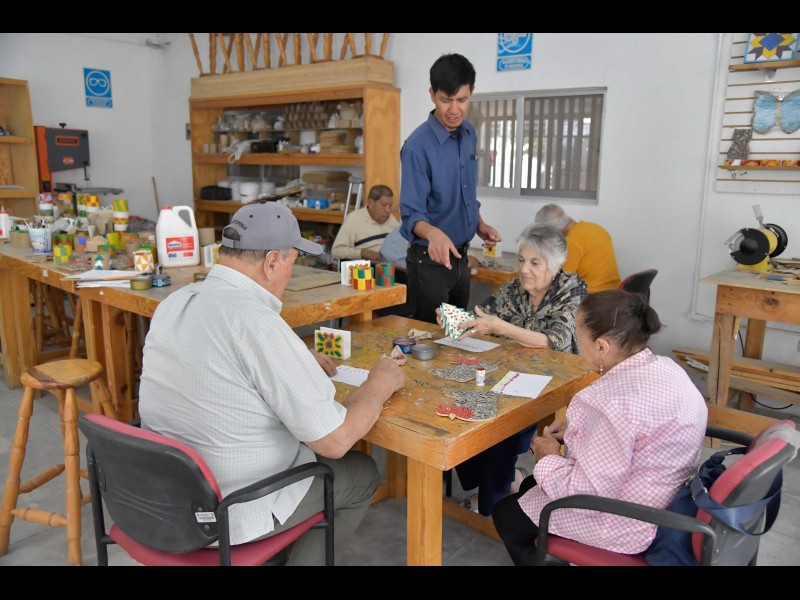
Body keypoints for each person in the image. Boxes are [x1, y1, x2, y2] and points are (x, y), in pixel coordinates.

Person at [138, 202, 405, 566]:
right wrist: (380, 382)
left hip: (163, 497)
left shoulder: (174, 302)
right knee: (360, 474)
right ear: (272, 262)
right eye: (292, 262)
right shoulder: (257, 322)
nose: (289, 275)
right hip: (229, 508)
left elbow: (218, 359)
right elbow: (335, 441)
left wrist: (290, 357)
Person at [492, 289, 708, 566]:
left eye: (579, 338)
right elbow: (636, 433)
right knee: (530, 485)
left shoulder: (610, 403)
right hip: (670, 498)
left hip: (626, 521)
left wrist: (548, 457)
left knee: (506, 515)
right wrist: (580, 431)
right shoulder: (667, 369)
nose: (578, 346)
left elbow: (585, 493)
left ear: (602, 347)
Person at [447, 223, 587, 516]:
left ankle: (494, 499)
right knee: (464, 404)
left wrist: (501, 328)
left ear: (554, 266)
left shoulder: (572, 290)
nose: (524, 269)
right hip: (511, 372)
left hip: (555, 380)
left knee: (503, 425)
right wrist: (453, 318)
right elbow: (482, 316)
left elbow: (552, 341)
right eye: (521, 260)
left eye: (535, 263)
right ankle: (506, 481)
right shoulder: (514, 288)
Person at [400, 52, 501, 324]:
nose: (454, 110)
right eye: (446, 100)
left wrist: (479, 224)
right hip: (429, 265)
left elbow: (465, 192)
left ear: (471, 94)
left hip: (461, 260)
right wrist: (433, 234)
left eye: (462, 100)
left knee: (458, 337)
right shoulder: (417, 147)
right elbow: (411, 214)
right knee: (429, 339)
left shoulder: (469, 134)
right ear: (432, 94)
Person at [534, 203, 621, 293]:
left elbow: (560, 282)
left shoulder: (571, 242)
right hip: (616, 292)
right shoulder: (596, 228)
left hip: (593, 296)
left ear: (554, 230)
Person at [331, 184, 399, 263]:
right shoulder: (354, 219)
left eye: (390, 205)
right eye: (383, 205)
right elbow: (336, 251)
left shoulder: (391, 218)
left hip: (391, 265)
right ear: (371, 203)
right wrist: (363, 253)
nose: (388, 210)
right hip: (365, 266)